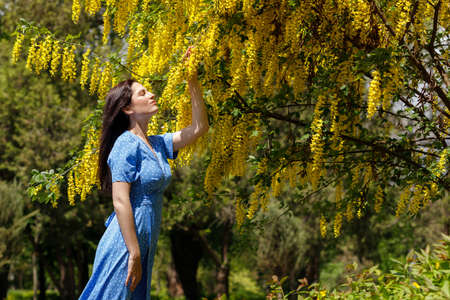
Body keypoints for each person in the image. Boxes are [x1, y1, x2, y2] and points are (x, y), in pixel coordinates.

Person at [78, 47, 209, 300]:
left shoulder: (158, 144)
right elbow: (120, 200)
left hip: (145, 239)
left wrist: (192, 80)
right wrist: (134, 252)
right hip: (125, 243)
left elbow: (199, 127)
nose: (152, 94)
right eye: (143, 92)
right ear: (127, 108)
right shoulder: (126, 144)